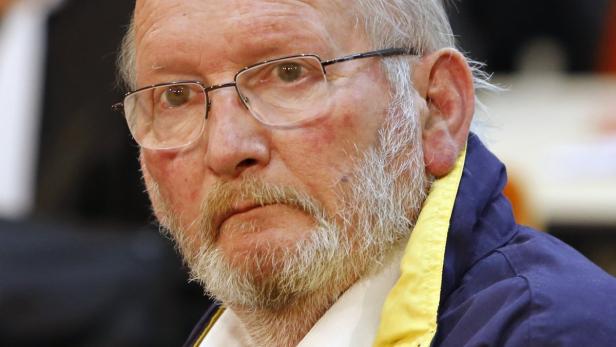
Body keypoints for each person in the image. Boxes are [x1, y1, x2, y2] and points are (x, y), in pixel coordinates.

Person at [115, 1, 616, 346]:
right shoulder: (223, 329)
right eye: (175, 95)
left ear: (438, 108)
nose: (226, 148)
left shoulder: (551, 333)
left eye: (290, 73)